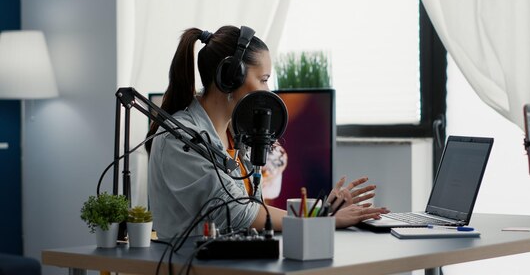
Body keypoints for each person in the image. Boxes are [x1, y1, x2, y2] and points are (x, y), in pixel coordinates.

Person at [146, 25, 388, 239]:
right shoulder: (180, 138)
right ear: (230, 77)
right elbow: (237, 213)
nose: (268, 90)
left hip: (238, 263)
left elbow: (256, 210)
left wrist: (323, 212)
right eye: (263, 79)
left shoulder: (236, 135)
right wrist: (325, 220)